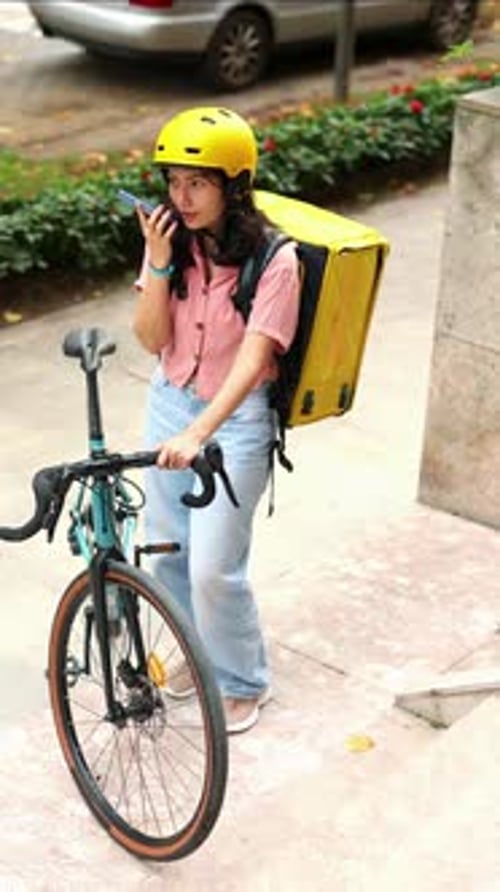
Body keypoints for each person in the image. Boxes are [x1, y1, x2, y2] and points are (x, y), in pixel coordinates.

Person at [133, 106, 300, 734]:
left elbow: (255, 359)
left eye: (198, 183)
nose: (183, 197)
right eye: (174, 182)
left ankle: (243, 680)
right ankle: (202, 657)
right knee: (168, 550)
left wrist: (200, 433)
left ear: (235, 184)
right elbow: (151, 339)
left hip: (235, 422)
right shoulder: (172, 244)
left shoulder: (274, 260)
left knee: (213, 568)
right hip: (170, 398)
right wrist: (156, 262)